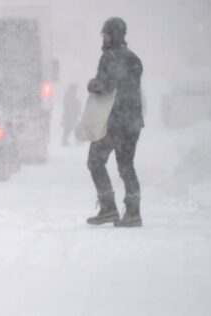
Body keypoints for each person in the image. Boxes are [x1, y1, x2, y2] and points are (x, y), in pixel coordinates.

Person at [85, 17, 144, 227]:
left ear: (115, 35)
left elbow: (107, 85)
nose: (105, 38)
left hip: (116, 121)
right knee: (126, 165)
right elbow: (130, 86)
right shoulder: (134, 59)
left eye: (107, 34)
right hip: (134, 121)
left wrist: (92, 85)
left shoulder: (109, 57)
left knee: (95, 160)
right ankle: (133, 212)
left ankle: (108, 207)